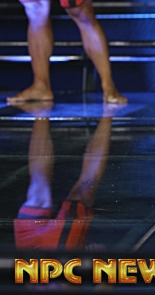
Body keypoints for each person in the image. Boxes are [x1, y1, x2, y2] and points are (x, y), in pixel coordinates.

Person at [14, 105, 115, 251]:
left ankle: (41, 108)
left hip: (34, 252)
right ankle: (109, 111)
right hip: (51, 253)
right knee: (77, 192)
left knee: (40, 190)